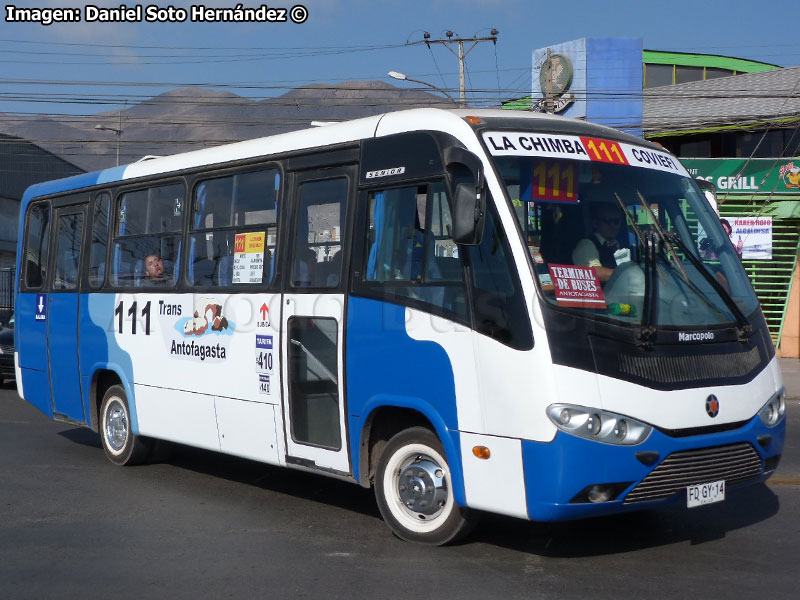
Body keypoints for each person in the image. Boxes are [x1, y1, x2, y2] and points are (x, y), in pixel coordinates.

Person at [572, 202, 628, 283]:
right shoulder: (586, 245)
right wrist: (627, 276)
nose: (612, 225)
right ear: (595, 223)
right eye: (607, 221)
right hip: (601, 295)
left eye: (616, 221)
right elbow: (594, 272)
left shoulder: (619, 246)